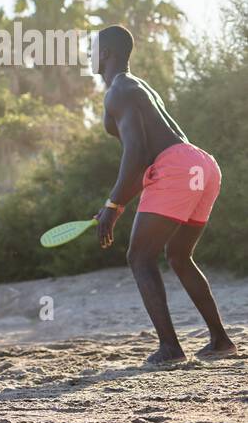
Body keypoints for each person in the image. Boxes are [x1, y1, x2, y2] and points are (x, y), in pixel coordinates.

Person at [93, 23, 235, 364]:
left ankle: (170, 348)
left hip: (176, 166)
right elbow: (145, 159)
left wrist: (113, 205)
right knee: (178, 255)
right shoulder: (136, 87)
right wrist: (119, 202)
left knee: (139, 257)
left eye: (92, 49)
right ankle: (220, 341)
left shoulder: (118, 91)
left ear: (106, 53)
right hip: (202, 165)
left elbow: (137, 153)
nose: (88, 56)